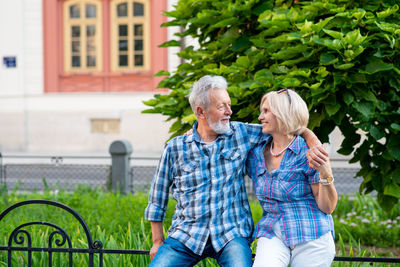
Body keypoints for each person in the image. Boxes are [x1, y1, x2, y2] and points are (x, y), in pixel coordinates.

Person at [144, 75, 327, 267]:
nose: (230, 112)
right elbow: (157, 197)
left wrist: (310, 137)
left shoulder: (240, 133)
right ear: (201, 111)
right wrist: (157, 241)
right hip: (186, 235)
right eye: (222, 106)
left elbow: (284, 126)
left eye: (229, 105)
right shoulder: (175, 148)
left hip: (231, 235)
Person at [246, 89, 338, 267]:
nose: (260, 117)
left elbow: (327, 207)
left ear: (282, 113)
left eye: (266, 111)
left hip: (312, 235)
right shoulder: (255, 153)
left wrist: (326, 173)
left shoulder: (307, 152)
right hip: (272, 233)